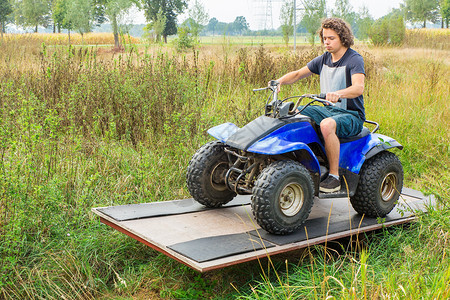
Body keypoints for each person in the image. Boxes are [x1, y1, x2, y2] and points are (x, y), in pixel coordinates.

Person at [273, 17, 365, 193]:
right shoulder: (324, 59)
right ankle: (301, 164)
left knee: (326, 124)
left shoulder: (354, 59)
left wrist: (338, 93)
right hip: (328, 110)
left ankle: (334, 177)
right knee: (296, 113)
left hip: (351, 115)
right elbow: (298, 74)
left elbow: (358, 88)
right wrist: (279, 82)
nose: (326, 42)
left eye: (331, 38)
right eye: (324, 38)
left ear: (343, 38)